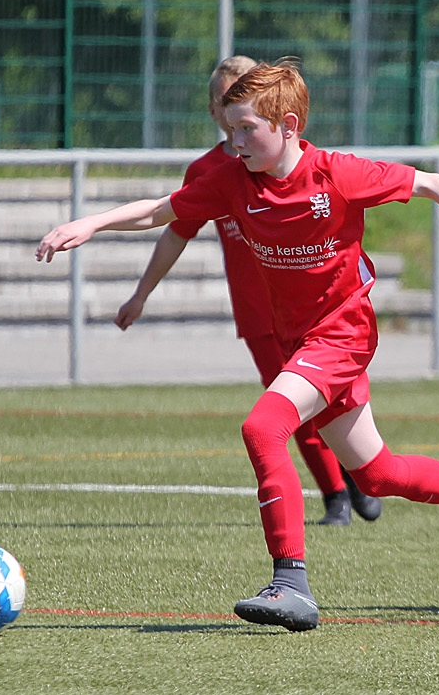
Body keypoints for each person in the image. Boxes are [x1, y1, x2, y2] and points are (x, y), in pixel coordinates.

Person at [38, 59, 439, 631]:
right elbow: (163, 211)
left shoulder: (336, 173)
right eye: (229, 128)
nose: (234, 142)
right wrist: (91, 224)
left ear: (288, 126)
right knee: (377, 475)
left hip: (343, 334)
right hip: (300, 339)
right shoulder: (233, 179)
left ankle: (290, 583)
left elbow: (431, 182)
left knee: (263, 427)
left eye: (246, 129)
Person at [114, 56, 381, 527]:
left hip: (318, 307)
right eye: (224, 100)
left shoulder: (286, 160)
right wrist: (141, 294)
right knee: (285, 410)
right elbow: (174, 230)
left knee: (323, 403)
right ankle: (335, 494)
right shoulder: (211, 172)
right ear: (215, 110)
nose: (234, 111)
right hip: (261, 312)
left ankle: (359, 471)